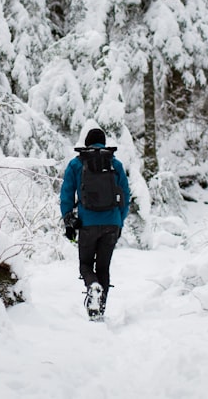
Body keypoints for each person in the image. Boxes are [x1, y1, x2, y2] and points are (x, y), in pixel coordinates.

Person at [60, 127, 131, 320]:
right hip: (112, 224)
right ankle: (99, 311)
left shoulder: (76, 164)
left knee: (85, 265)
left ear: (87, 143)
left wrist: (68, 220)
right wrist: (119, 221)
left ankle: (92, 287)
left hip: (87, 223)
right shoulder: (115, 164)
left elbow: (66, 194)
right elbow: (125, 196)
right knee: (103, 268)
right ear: (104, 142)